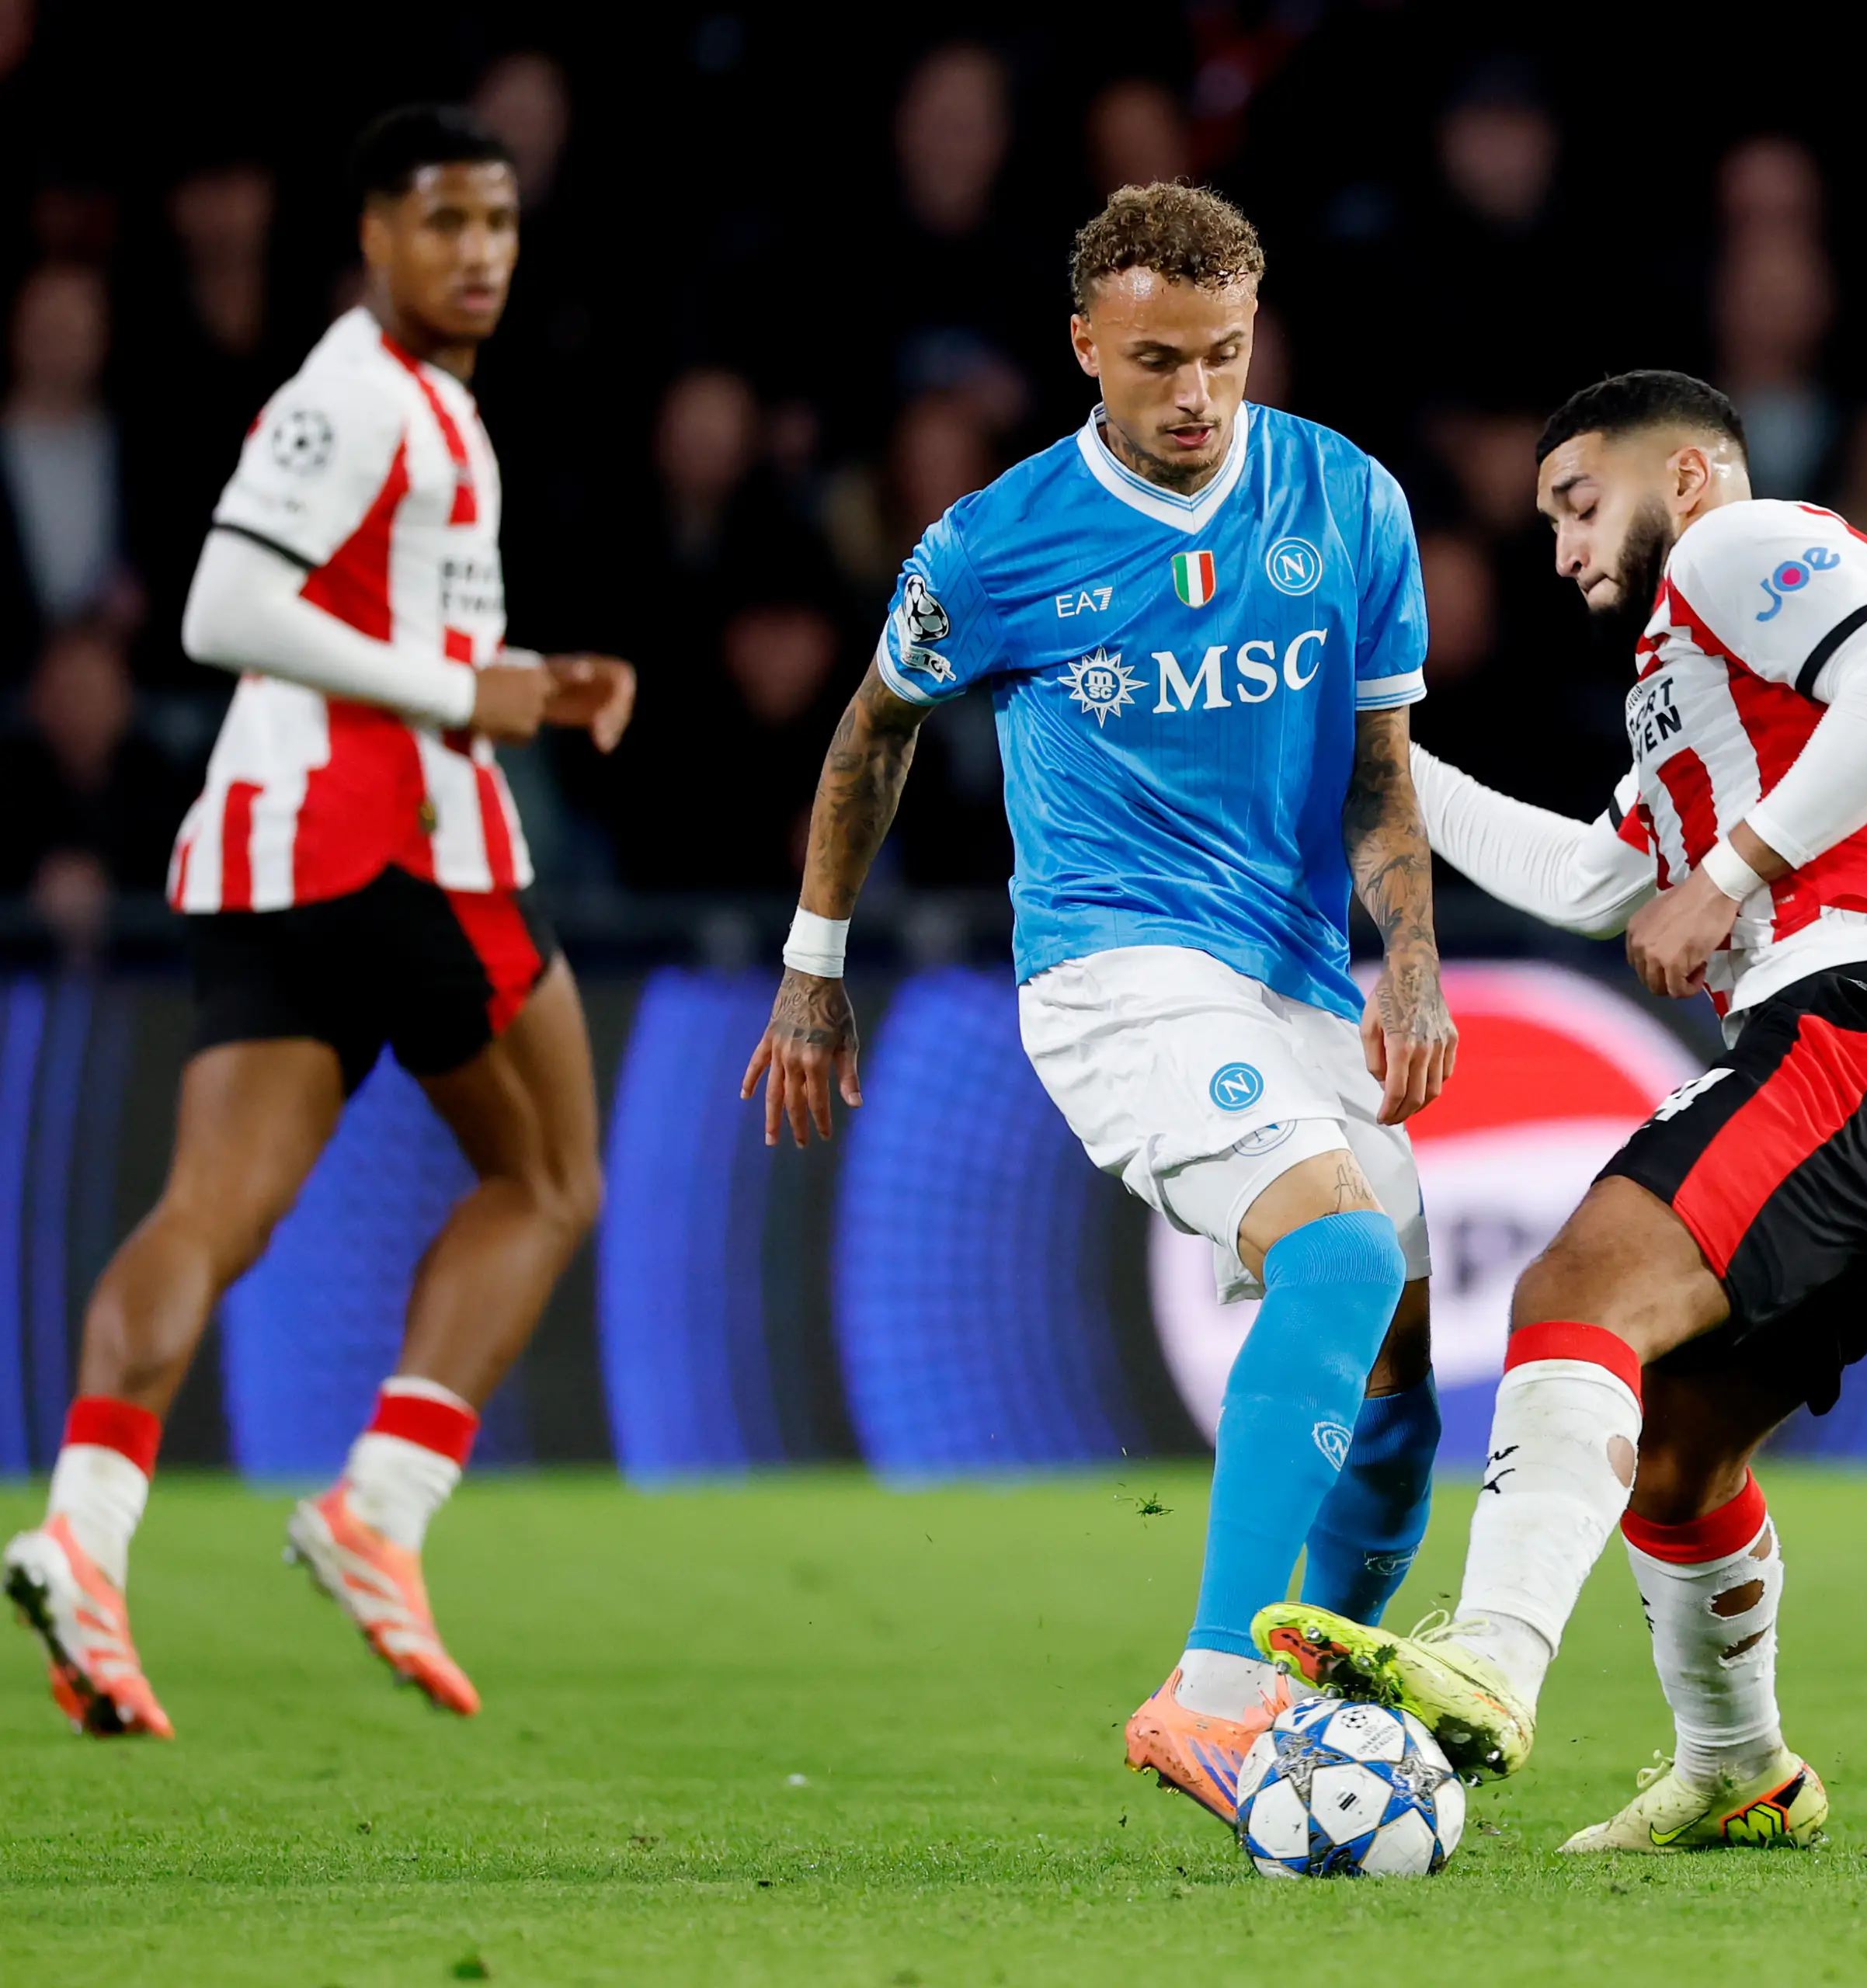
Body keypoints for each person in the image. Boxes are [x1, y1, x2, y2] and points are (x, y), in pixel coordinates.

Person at [740, 184, 1452, 1826]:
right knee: (1340, 1256)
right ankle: (1211, 1696)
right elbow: (872, 731)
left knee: (1400, 1382)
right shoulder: (994, 545)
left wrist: (1409, 962)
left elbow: (1380, 774)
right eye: (1156, 361)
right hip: (1115, 972)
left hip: (1292, 977)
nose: (1197, 395)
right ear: (1084, 347)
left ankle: (1326, 1708)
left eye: (1224, 354)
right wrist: (812, 962)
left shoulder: (1348, 498)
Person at [1252, 370, 1867, 1854]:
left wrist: (1730, 876)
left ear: (1683, 474)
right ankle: (1740, 1769)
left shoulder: (1744, 545)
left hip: (1866, 1019)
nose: (1560, 549)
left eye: (1578, 502)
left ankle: (1493, 1655)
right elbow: (1594, 882)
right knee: (1674, 1452)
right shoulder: (1688, 680)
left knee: (1575, 1292)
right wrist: (1382, 763)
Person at [0, 106, 635, 1738]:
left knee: (211, 1209)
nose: (479, 252)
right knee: (552, 1175)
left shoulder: (425, 404)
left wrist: (526, 681)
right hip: (397, 842)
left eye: (498, 222)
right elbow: (224, 606)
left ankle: (83, 1534)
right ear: (373, 238)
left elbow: (376, 625)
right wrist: (463, 694)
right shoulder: (355, 391)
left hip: (270, 852)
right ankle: (381, 1506)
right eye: (444, 222)